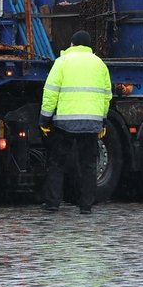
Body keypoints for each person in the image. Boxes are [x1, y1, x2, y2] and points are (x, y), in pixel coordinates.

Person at [39, 30, 112, 215]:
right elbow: (106, 96)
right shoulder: (100, 64)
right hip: (91, 123)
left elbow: (51, 93)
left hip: (65, 123)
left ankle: (53, 203)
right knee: (88, 165)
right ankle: (86, 206)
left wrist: (45, 120)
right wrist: (102, 121)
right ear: (88, 47)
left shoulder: (62, 62)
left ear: (72, 44)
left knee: (57, 163)